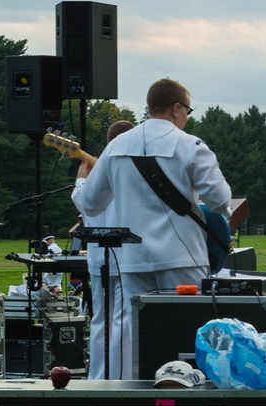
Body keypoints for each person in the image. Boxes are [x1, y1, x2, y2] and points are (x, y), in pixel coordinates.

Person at [72, 78, 232, 379]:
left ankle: (126, 395)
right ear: (176, 108)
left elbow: (91, 202)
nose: (187, 116)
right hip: (182, 256)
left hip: (132, 259)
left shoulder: (116, 146)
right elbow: (220, 199)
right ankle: (187, 391)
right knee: (189, 329)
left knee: (130, 332)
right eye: (187, 110)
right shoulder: (191, 145)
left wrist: (89, 184)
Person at [83, 120, 135, 380]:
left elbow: (83, 204)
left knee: (100, 321)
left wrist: (80, 180)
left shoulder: (95, 172)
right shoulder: (131, 170)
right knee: (122, 322)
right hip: (126, 259)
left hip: (98, 259)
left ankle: (97, 376)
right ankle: (120, 377)